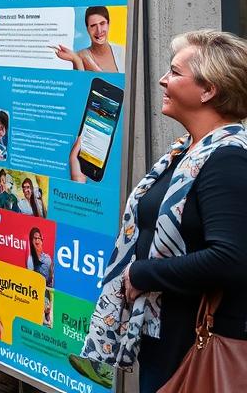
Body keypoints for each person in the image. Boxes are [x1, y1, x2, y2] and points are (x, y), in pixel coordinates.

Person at [78, 30, 247, 392]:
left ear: (208, 90)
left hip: (195, 340)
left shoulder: (228, 158)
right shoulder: (187, 151)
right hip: (166, 334)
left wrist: (144, 273)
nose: (162, 79)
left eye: (174, 72)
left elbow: (231, 258)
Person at [54, 6, 125, 73]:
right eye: (93, 26)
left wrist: (91, 64)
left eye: (102, 23)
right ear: (87, 29)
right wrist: (77, 61)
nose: (99, 30)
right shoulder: (80, 56)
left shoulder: (123, 51)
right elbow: (80, 83)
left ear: (108, 24)